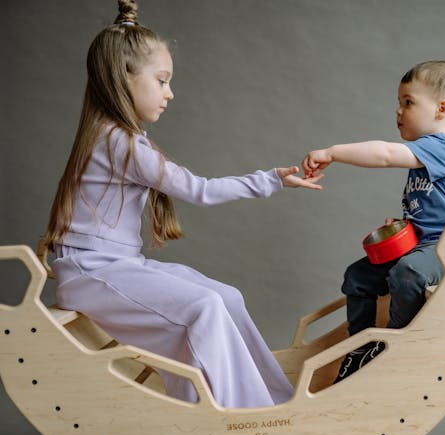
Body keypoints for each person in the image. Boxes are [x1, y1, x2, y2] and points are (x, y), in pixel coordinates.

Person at [41, 0, 323, 409]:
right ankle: (243, 415)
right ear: (125, 76)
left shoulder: (118, 138)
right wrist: (271, 180)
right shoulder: (116, 141)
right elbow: (199, 190)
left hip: (115, 266)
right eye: (162, 80)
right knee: (204, 307)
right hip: (91, 273)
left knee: (226, 297)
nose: (170, 93)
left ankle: (276, 402)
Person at [302, 60, 445, 382]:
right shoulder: (423, 157)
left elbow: (385, 154)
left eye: (408, 103)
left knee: (408, 272)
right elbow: (432, 211)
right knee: (358, 276)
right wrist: (405, 226)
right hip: (425, 245)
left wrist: (333, 152)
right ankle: (360, 348)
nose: (398, 111)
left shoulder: (441, 148)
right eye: (399, 103)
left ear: (442, 109)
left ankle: (394, 345)